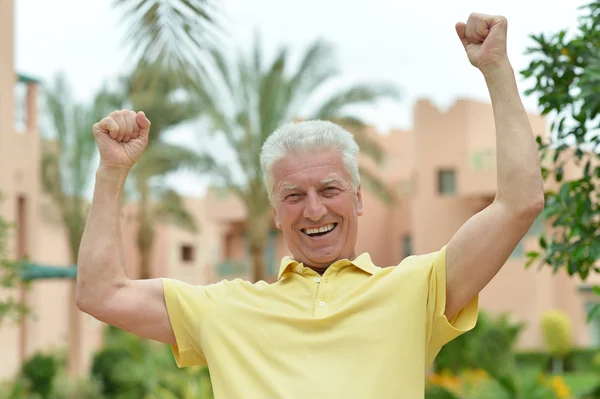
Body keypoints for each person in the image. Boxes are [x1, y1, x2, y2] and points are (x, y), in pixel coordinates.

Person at [77, 12, 544, 398]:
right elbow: (102, 293)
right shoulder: (223, 309)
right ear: (275, 213)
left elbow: (519, 203)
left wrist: (496, 68)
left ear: (359, 199)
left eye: (330, 190)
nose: (314, 210)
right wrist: (111, 173)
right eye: (294, 196)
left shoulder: (418, 290)